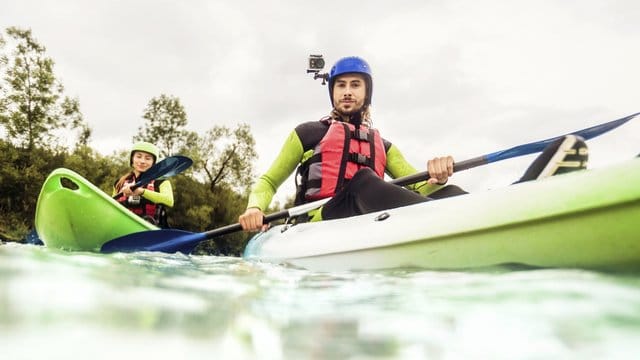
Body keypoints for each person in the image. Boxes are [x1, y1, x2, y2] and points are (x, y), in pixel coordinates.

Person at [239, 56, 588, 232]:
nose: (347, 91)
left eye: (356, 85)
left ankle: (512, 201)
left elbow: (420, 184)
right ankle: (479, 218)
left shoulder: (384, 145)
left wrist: (437, 176)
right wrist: (256, 207)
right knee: (364, 180)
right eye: (341, 84)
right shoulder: (308, 133)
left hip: (367, 222)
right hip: (316, 223)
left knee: (445, 194)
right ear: (332, 91)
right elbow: (269, 181)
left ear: (366, 93)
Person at [113, 141, 174, 227]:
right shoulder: (120, 182)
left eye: (148, 158)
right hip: (122, 229)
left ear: (154, 163)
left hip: (151, 231)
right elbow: (112, 206)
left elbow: (169, 201)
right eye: (138, 156)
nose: (142, 161)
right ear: (132, 159)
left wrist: (142, 192)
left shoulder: (161, 182)